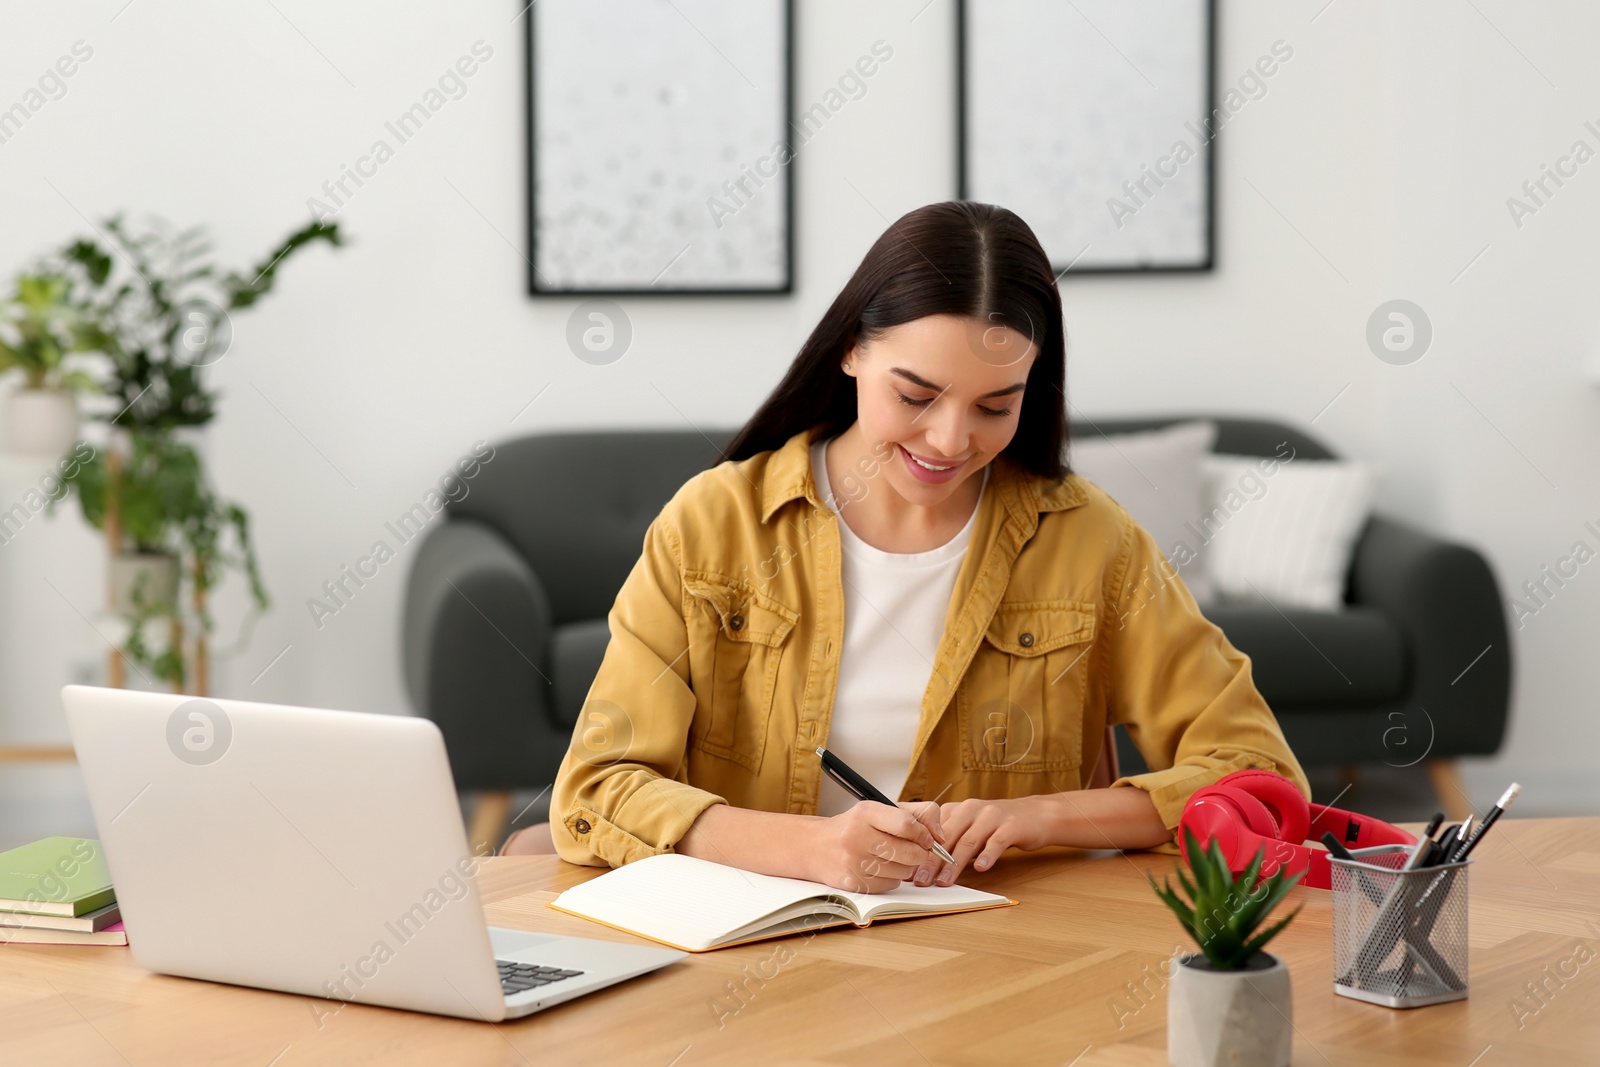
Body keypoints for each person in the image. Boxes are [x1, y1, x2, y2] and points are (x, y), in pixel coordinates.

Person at [507, 200, 1309, 893]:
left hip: (1010, 949)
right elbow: (596, 787)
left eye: (997, 406)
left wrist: (1039, 816)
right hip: (762, 950)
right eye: (915, 395)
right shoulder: (714, 525)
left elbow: (1260, 778)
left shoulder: (1091, 540)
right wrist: (811, 849)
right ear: (852, 349)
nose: (951, 439)